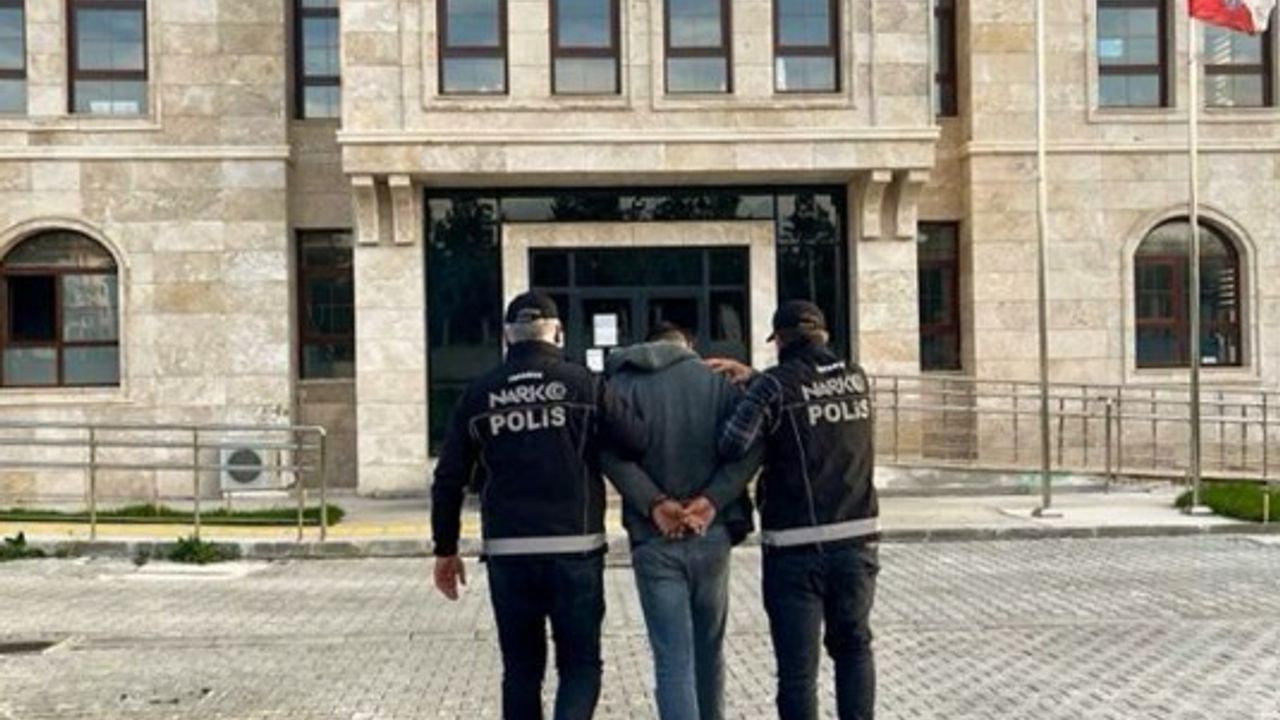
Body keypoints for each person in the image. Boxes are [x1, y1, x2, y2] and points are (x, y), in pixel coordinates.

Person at [431, 291, 646, 720]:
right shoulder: (584, 385)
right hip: (575, 550)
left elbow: (449, 478)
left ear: (506, 337)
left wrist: (445, 549)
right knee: (580, 666)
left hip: (509, 553)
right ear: (558, 334)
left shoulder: (479, 394)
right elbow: (636, 440)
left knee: (521, 671)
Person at [715, 300, 880, 720]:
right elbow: (813, 396)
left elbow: (732, 444)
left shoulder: (774, 386)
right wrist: (758, 380)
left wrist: (750, 389)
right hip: (857, 540)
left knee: (797, 672)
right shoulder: (857, 378)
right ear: (823, 335)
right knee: (854, 648)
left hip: (795, 546)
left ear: (781, 340)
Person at [601, 322, 760, 720]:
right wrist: (711, 501)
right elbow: (752, 448)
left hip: (653, 536)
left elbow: (609, 454)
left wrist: (654, 504)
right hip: (712, 533)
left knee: (672, 658)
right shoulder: (719, 381)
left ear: (646, 345)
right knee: (710, 651)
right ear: (689, 344)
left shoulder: (620, 386)